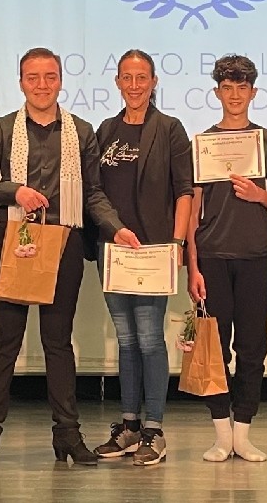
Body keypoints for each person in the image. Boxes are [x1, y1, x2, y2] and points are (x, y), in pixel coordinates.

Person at [0, 47, 141, 468]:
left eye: (49, 76)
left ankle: (68, 435)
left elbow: (94, 191)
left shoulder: (80, 131)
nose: (41, 84)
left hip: (63, 244)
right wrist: (14, 192)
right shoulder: (2, 129)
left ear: (60, 80)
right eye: (33, 77)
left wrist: (115, 227)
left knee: (57, 343)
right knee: (4, 342)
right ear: (21, 82)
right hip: (14, 241)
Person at [89, 50, 193, 466]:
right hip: (113, 249)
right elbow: (94, 191)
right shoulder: (106, 130)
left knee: (150, 339)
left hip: (154, 250)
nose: (134, 86)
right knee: (127, 339)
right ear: (117, 82)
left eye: (142, 78)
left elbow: (184, 190)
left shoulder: (169, 129)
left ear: (154, 82)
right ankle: (129, 426)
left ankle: (154, 428)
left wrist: (178, 244)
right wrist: (115, 230)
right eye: (127, 78)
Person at [185, 54, 267, 463]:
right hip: (211, 255)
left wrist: (259, 195)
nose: (234, 95)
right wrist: (191, 265)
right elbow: (192, 213)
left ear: (253, 92)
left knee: (252, 345)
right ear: (217, 93)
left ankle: (243, 430)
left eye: (241, 88)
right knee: (213, 347)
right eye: (226, 88)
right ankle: (221, 432)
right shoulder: (202, 144)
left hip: (256, 253)